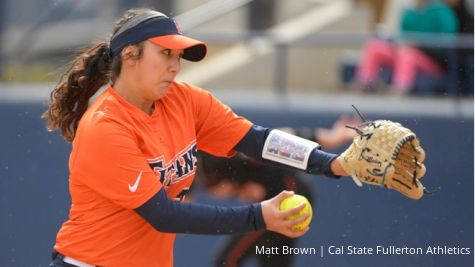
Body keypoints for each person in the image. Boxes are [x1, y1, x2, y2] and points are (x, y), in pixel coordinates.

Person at [43, 8, 349, 267]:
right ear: (129, 53)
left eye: (178, 56)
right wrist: (259, 217)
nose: (175, 66)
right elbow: (164, 215)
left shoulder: (184, 100)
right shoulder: (106, 126)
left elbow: (257, 140)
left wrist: (333, 164)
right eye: (165, 53)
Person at [199, 115, 361, 267]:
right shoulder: (191, 160)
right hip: (274, 198)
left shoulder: (215, 150)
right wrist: (239, 189)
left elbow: (277, 141)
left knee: (226, 261)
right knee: (272, 259)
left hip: (288, 194)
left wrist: (333, 137)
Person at [356, 0, 459, 94]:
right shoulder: (409, 12)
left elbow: (447, 43)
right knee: (375, 47)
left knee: (407, 55)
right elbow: (402, 36)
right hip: (404, 54)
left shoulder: (442, 11)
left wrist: (419, 45)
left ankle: (398, 94)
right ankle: (364, 86)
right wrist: (398, 43)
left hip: (432, 61)